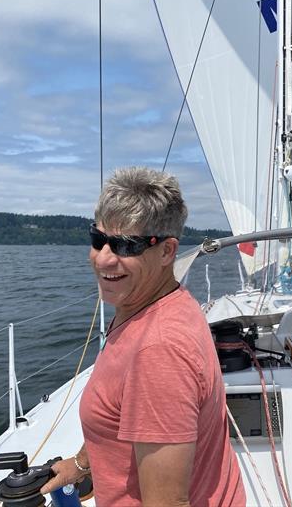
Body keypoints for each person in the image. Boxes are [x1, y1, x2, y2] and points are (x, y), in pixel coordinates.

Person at [41, 166, 245, 506]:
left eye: (125, 246)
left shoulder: (158, 350)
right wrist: (80, 465)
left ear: (167, 252)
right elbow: (118, 416)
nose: (103, 259)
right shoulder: (154, 303)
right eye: (98, 239)